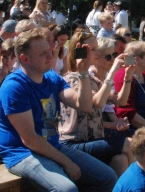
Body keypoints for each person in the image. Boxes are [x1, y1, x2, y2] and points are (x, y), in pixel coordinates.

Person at [0, 28, 118, 192]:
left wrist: (83, 73)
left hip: (50, 144)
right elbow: (29, 139)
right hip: (21, 152)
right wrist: (66, 162)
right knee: (66, 191)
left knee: (106, 177)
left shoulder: (51, 78)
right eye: (42, 53)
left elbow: (84, 105)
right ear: (25, 58)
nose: (50, 55)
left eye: (49, 50)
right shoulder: (15, 86)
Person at [58, 31, 135, 176]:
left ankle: (125, 190)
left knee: (121, 159)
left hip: (93, 140)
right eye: (92, 49)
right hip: (74, 144)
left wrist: (128, 76)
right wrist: (113, 71)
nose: (97, 53)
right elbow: (98, 103)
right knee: (129, 144)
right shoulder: (71, 79)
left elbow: (121, 101)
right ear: (79, 52)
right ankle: (136, 188)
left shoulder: (93, 80)